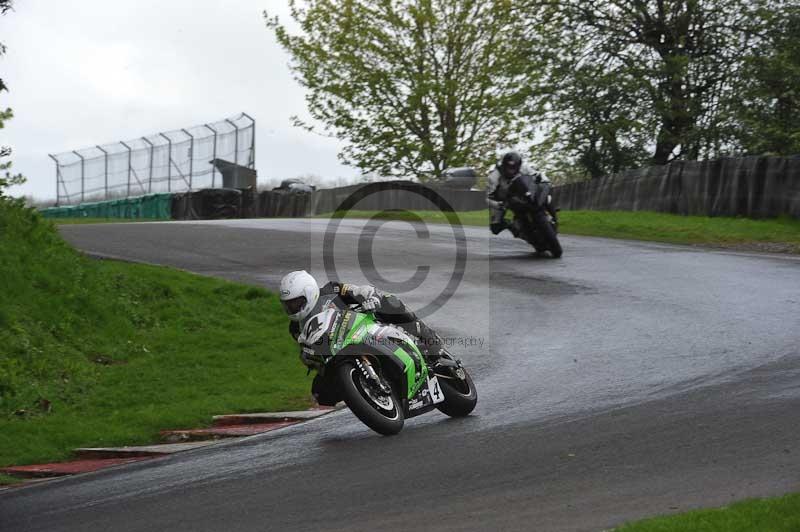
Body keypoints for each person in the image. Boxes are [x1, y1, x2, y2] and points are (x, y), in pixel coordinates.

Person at [279, 270, 442, 370]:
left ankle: (427, 336)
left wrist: (370, 298)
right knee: (320, 392)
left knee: (389, 302)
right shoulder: (296, 328)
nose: (293, 308)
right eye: (288, 305)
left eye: (296, 302)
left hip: (367, 325)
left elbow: (358, 290)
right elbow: (309, 350)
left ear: (309, 292)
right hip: (341, 352)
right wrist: (310, 359)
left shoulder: (331, 290)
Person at [485, 151, 554, 236]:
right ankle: (513, 226)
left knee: (545, 195)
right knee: (495, 228)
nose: (510, 170)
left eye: (513, 167)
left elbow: (538, 174)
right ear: (503, 165)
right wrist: (496, 204)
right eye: (508, 167)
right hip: (504, 199)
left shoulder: (524, 168)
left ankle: (552, 215)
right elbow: (486, 197)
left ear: (518, 165)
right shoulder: (494, 176)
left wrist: (545, 181)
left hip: (525, 193)